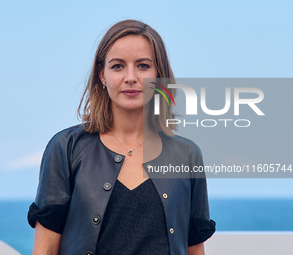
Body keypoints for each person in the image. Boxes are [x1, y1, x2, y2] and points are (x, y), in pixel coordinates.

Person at [27, 19, 215, 255]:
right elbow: (45, 249)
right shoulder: (66, 148)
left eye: (143, 66)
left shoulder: (188, 155)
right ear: (102, 76)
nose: (130, 77)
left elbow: (194, 249)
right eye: (117, 66)